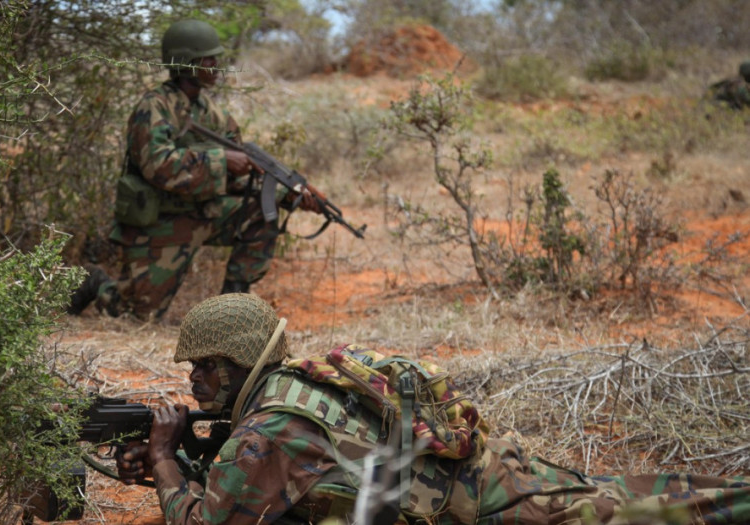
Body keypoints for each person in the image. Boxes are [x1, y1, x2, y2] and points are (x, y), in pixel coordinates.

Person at [116, 293, 750, 525]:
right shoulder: (293, 389)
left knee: (655, 511)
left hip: (491, 505)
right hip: (484, 473)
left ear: (237, 366)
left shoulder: (268, 430)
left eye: (205, 368)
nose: (193, 379)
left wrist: (169, 463)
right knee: (636, 491)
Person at [67, 19, 325, 321]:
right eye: (209, 58)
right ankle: (95, 282)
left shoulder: (214, 113)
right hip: (159, 222)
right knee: (132, 316)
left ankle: (231, 313)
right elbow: (158, 166)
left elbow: (238, 176)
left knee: (259, 212)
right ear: (186, 62)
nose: (217, 65)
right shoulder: (154, 107)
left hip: (203, 212)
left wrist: (285, 193)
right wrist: (222, 160)